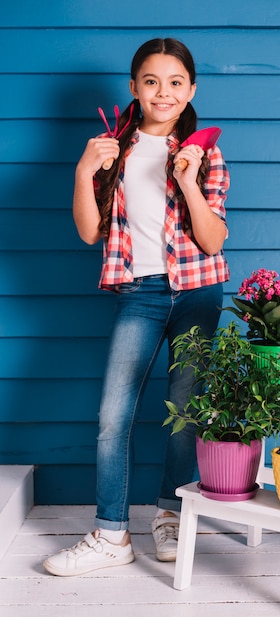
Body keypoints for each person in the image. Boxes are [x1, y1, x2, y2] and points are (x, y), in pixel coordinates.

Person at [43, 37, 230, 576]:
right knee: (113, 415)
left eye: (175, 83)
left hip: (198, 291)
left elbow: (213, 240)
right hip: (140, 293)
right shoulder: (111, 149)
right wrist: (84, 171)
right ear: (134, 88)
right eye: (151, 81)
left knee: (184, 412)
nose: (163, 92)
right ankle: (110, 534)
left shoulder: (204, 150)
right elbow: (87, 232)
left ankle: (170, 516)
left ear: (191, 89)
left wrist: (188, 182)